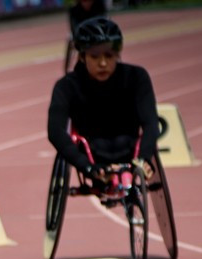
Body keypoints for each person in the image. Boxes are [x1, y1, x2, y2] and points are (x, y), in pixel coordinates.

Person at [47, 17, 160, 187]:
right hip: (91, 155)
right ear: (82, 56)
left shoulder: (137, 77)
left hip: (130, 150)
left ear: (118, 54)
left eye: (109, 55)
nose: (103, 63)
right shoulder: (66, 86)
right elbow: (55, 131)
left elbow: (151, 122)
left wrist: (144, 158)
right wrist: (85, 165)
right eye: (94, 56)